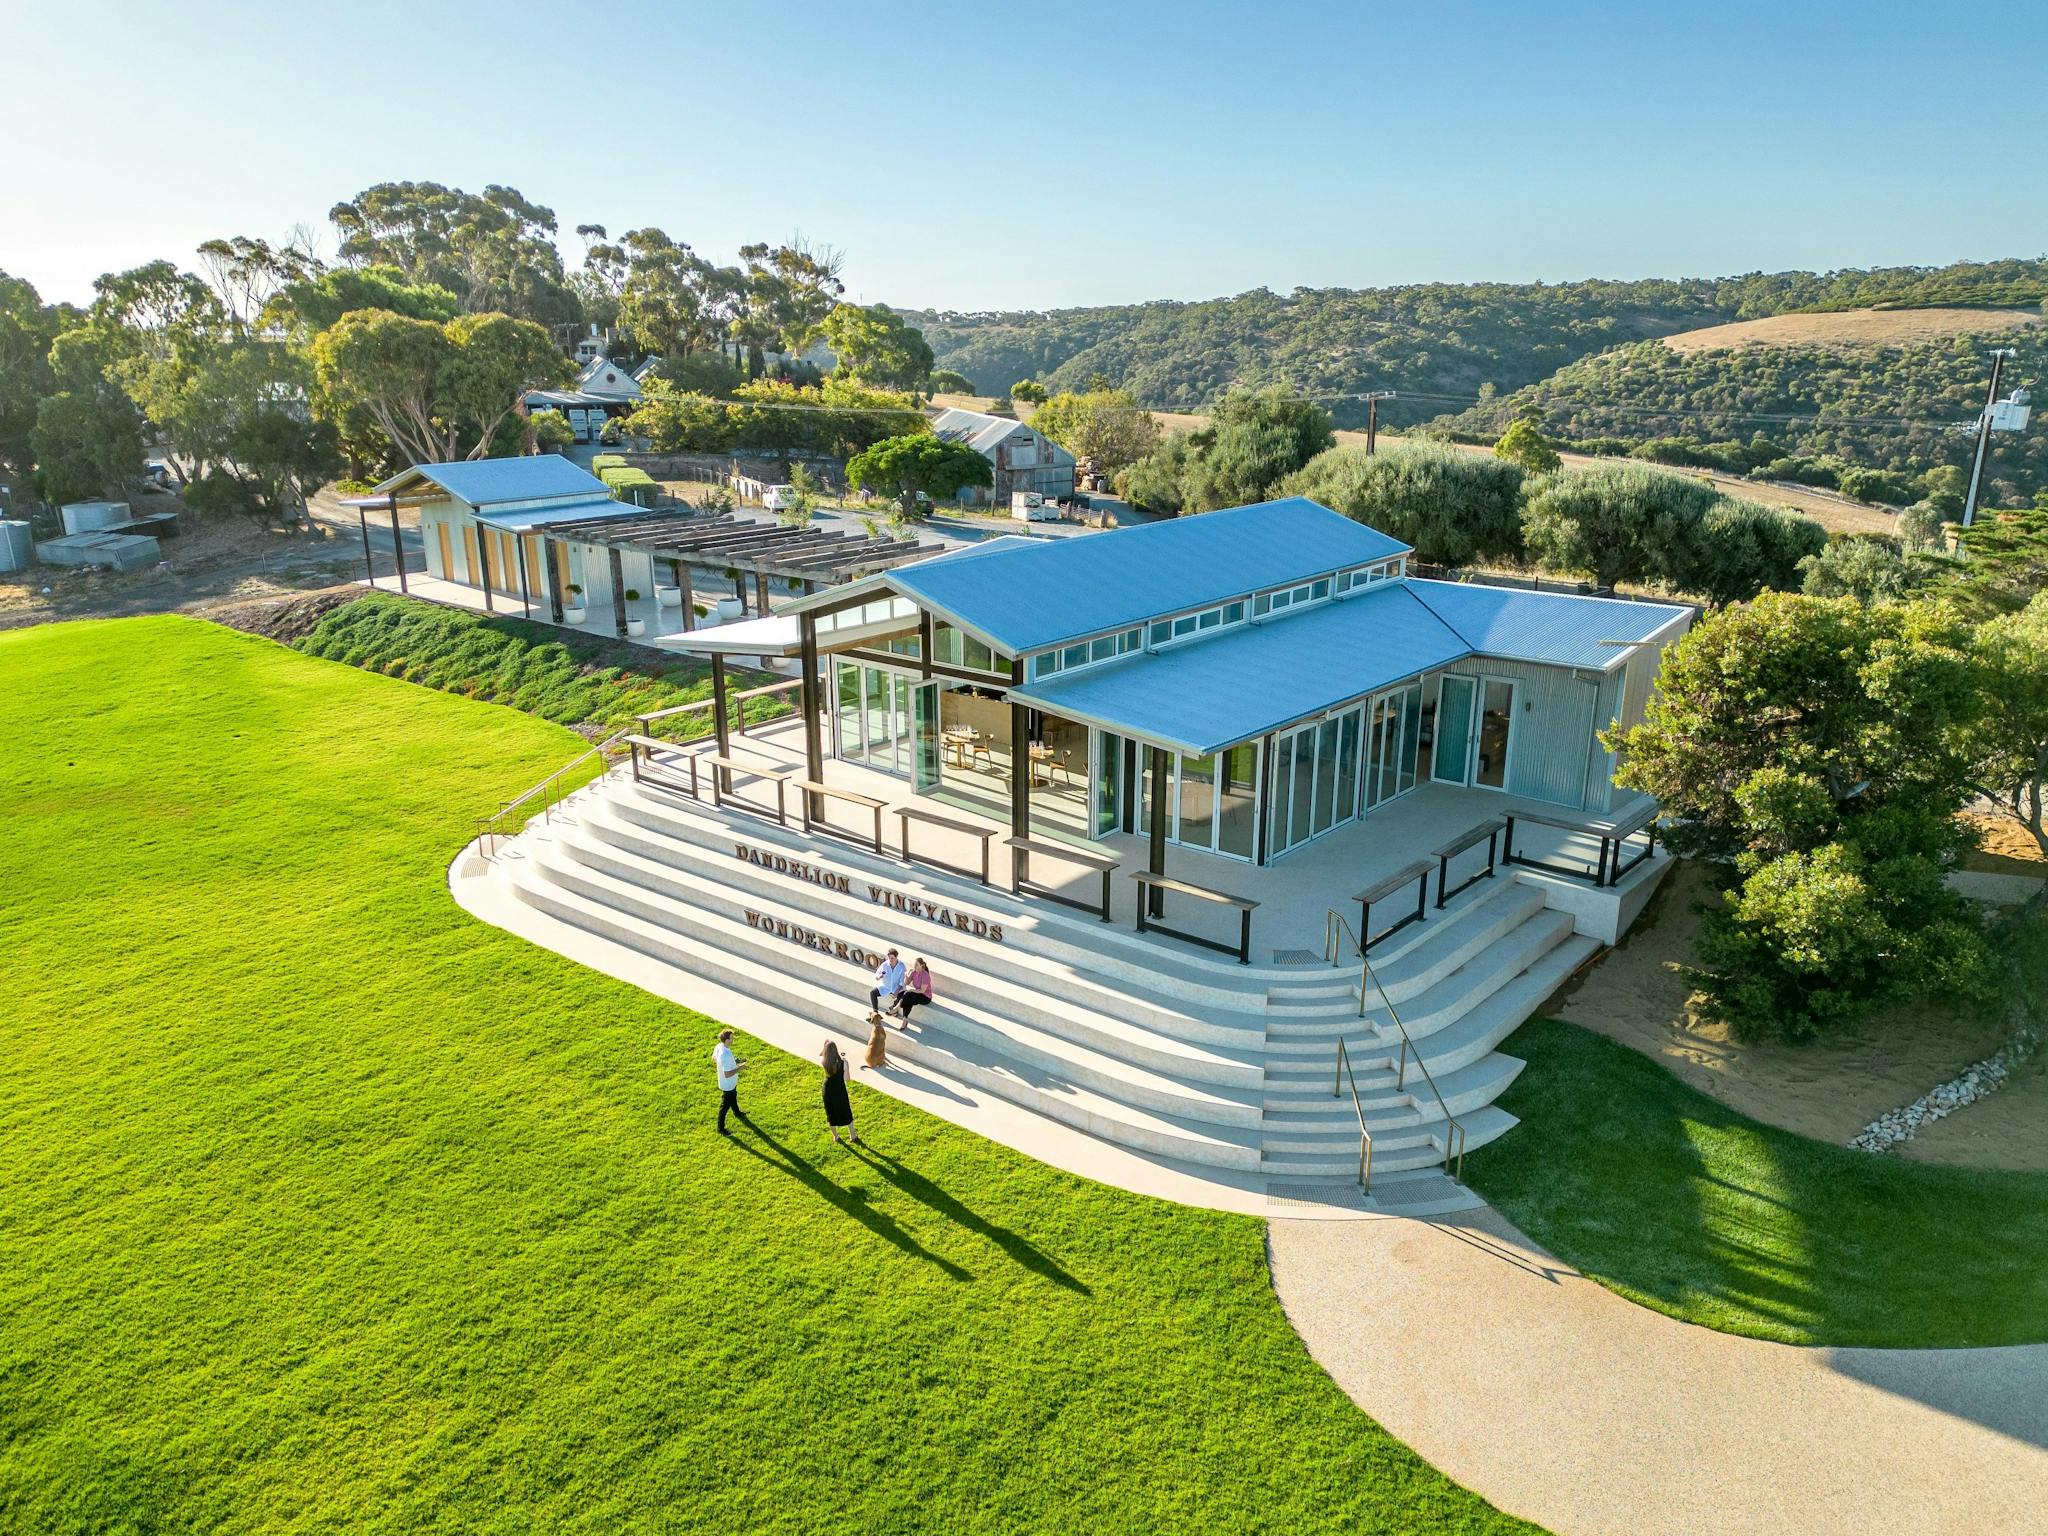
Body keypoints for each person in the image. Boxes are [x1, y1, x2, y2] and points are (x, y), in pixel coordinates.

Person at [820, 1039, 860, 1144]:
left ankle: (836, 1136)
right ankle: (852, 1135)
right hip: (840, 1091)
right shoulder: (843, 1063)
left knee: (831, 1114)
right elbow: (847, 1079)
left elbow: (822, 1055)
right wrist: (846, 1066)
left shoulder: (823, 1061)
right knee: (846, 1111)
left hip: (827, 1090)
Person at [713, 1028, 747, 1136]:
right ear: (727, 1040)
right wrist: (740, 1068)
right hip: (728, 1084)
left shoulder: (720, 1047)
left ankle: (737, 1113)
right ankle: (720, 1128)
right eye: (732, 1038)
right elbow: (727, 1074)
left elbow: (714, 1059)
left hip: (729, 1083)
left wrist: (735, 1061)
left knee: (734, 1096)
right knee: (724, 1106)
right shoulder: (725, 1054)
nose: (733, 1040)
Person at [867, 948, 906, 1024]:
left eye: (892, 958)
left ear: (896, 957)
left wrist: (897, 991)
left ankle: (893, 1009)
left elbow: (902, 981)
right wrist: (879, 976)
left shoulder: (901, 966)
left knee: (903, 995)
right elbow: (877, 974)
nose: (890, 960)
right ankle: (875, 1012)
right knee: (872, 992)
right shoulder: (885, 964)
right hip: (885, 987)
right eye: (889, 958)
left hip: (896, 987)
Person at [892, 959, 934, 1024]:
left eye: (916, 965)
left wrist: (911, 990)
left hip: (925, 997)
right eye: (914, 964)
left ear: (921, 965)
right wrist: (906, 975)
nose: (914, 966)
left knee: (908, 995)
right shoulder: (914, 972)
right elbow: (906, 983)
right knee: (904, 995)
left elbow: (922, 990)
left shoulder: (925, 975)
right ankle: (904, 1019)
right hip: (917, 993)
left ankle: (896, 1008)